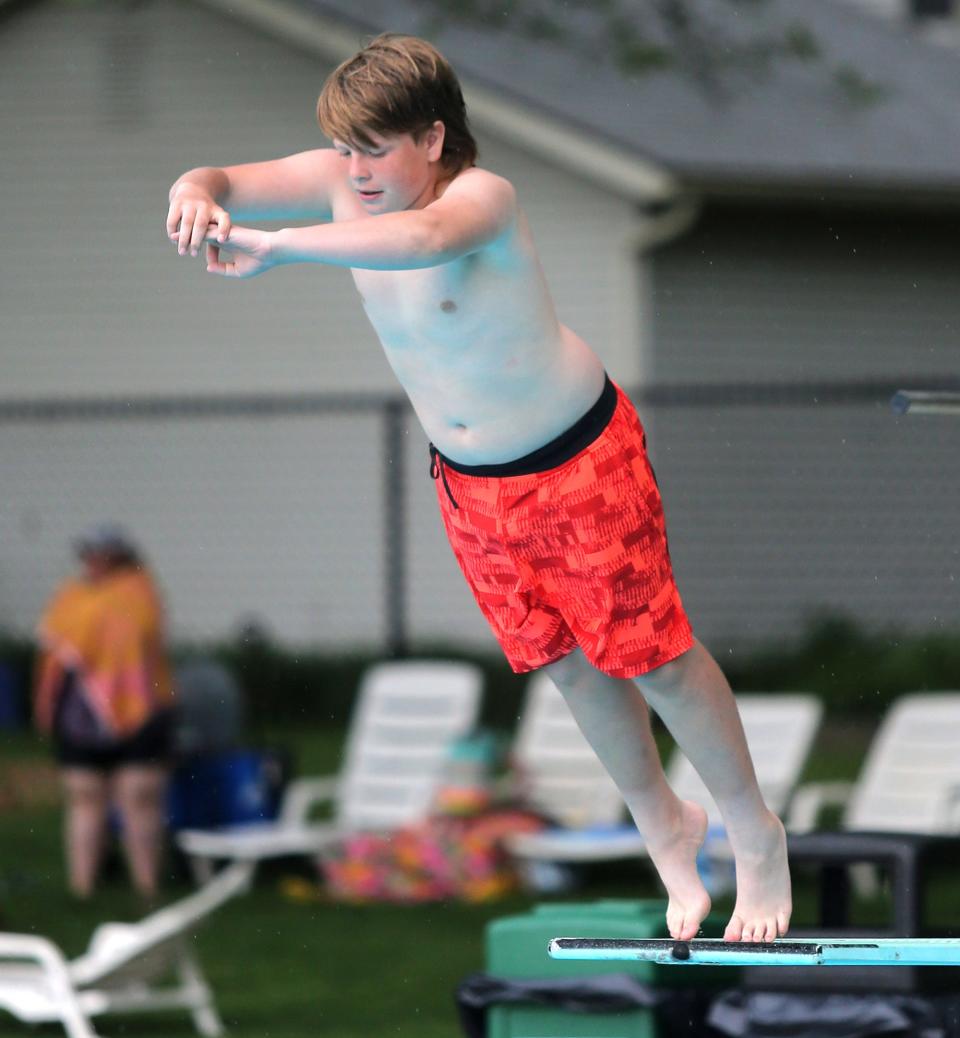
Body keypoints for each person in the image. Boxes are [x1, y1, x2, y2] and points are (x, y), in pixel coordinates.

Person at [165, 33, 790, 942]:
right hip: (472, 490)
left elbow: (419, 242)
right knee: (571, 672)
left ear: (432, 136)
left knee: (651, 659)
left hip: (578, 463)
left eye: (375, 147)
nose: (355, 168)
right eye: (344, 148)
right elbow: (216, 176)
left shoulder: (480, 199)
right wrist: (194, 194)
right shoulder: (346, 181)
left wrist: (277, 248)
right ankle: (667, 828)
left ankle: (755, 835)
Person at [34, 523, 175, 899]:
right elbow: (57, 645)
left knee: (138, 795)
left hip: (140, 711)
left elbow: (133, 639)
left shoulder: (139, 594)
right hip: (82, 716)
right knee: (85, 797)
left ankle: (147, 889)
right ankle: (82, 890)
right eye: (89, 554)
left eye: (101, 554)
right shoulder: (71, 596)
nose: (92, 562)